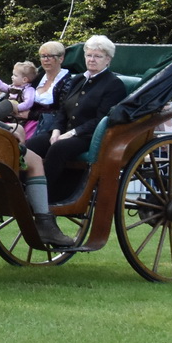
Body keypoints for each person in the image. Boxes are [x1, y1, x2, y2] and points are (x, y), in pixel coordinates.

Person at [23, 35, 128, 244]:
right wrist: (56, 130)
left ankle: (44, 201)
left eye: (97, 56)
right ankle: (22, 188)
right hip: (63, 132)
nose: (92, 59)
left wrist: (71, 133)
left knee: (58, 149)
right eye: (89, 55)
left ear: (108, 60)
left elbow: (102, 119)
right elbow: (62, 110)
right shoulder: (78, 79)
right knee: (30, 146)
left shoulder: (113, 85)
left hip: (90, 137)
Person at [28, 41, 71, 141]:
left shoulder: (67, 82)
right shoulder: (37, 77)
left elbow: (63, 111)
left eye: (51, 56)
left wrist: (31, 115)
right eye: (43, 56)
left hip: (49, 127)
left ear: (61, 59)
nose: (46, 60)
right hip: (26, 121)